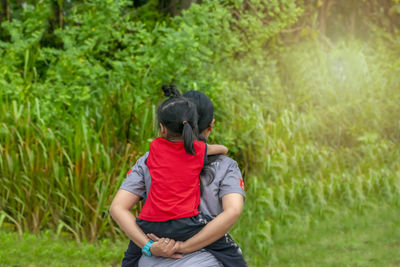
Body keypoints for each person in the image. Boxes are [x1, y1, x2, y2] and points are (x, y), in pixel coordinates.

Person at [110, 89, 247, 267]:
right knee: (233, 255)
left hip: (151, 242)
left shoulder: (149, 157)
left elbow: (118, 207)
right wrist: (185, 246)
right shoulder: (226, 165)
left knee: (130, 259)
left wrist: (148, 246)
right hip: (202, 253)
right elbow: (233, 211)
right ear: (211, 125)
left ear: (164, 127)